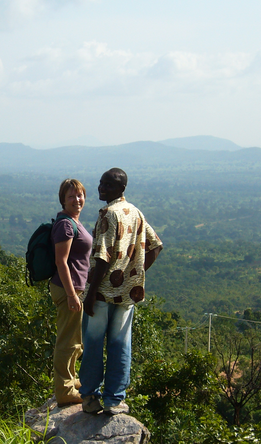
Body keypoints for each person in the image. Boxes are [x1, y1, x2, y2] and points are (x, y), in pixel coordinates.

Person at [79, 168, 163, 415]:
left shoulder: (108, 214)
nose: (101, 188)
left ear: (121, 189)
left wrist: (91, 293)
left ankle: (90, 398)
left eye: (108, 185)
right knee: (120, 344)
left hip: (102, 292)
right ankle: (115, 400)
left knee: (93, 344)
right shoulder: (135, 212)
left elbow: (102, 257)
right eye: (101, 183)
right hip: (127, 294)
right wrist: (133, 274)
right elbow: (156, 246)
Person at [50, 178, 93, 407]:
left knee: (74, 339)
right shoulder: (66, 225)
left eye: (80, 195)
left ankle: (71, 379)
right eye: (71, 196)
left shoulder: (74, 221)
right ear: (63, 200)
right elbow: (61, 261)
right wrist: (71, 294)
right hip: (68, 288)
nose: (77, 200)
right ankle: (65, 391)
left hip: (74, 288)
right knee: (67, 341)